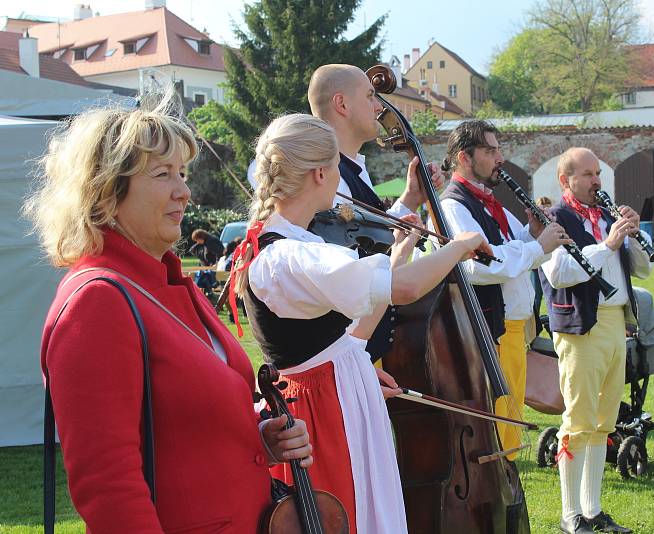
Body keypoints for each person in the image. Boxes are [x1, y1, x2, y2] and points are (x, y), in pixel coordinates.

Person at [24, 98, 312, 533]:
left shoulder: (168, 283)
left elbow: (180, 428)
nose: (184, 190)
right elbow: (108, 486)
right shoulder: (97, 302)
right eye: (162, 175)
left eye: (182, 173)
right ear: (105, 192)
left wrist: (259, 439)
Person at [231, 113, 492, 534]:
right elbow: (404, 290)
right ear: (320, 172)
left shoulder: (301, 246)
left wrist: (397, 260)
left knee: (370, 511)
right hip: (323, 410)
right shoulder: (289, 257)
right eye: (337, 166)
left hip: (340, 390)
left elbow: (343, 336)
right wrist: (459, 247)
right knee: (351, 515)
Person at [436, 120, 570, 458]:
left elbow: (513, 246)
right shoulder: (455, 205)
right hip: (489, 331)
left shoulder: (487, 203)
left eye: (499, 149)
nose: (500, 158)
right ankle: (501, 493)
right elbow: (479, 266)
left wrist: (533, 233)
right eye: (491, 151)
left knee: (510, 423)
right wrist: (538, 246)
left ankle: (509, 486)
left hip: (512, 331)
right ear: (465, 157)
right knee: (496, 425)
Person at [539, 147, 654, 534]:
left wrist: (633, 237)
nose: (596, 182)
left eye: (597, 174)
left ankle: (593, 510)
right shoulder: (555, 218)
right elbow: (559, 274)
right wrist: (606, 245)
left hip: (615, 326)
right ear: (565, 180)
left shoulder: (606, 215)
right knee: (578, 421)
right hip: (580, 328)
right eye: (586, 175)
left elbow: (644, 270)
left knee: (604, 422)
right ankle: (570, 514)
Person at [307, 63, 446, 363]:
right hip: (348, 346)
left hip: (365, 346)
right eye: (370, 96)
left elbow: (365, 235)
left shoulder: (351, 168)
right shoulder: (331, 176)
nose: (378, 107)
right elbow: (351, 265)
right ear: (342, 104)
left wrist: (410, 198)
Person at [189, 228, 224, 295]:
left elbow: (219, 252)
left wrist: (216, 263)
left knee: (206, 276)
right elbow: (192, 249)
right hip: (208, 264)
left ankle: (208, 292)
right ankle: (204, 293)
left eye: (197, 240)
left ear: (201, 237)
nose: (197, 242)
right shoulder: (207, 241)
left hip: (214, 265)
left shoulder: (210, 241)